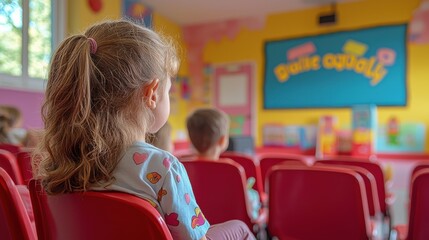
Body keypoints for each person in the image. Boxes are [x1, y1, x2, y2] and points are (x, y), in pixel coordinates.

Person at [34, 19, 254, 240]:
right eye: (169, 91)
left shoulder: (58, 164)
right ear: (152, 93)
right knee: (240, 229)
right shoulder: (162, 167)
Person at [186, 108, 261, 220]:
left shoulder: (182, 166)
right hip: (229, 224)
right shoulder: (231, 168)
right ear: (222, 140)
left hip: (195, 222)